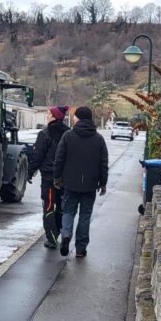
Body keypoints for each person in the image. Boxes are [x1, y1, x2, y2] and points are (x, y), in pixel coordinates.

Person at [53, 106, 108, 258]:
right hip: (90, 185)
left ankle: (66, 235)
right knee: (85, 216)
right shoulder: (98, 139)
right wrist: (103, 183)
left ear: (78, 118)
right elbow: (103, 163)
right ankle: (80, 249)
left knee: (68, 211)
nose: (74, 118)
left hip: (70, 183)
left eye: (75, 116)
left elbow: (59, 158)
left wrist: (57, 177)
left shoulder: (68, 136)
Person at [27, 105, 70, 249]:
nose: (47, 116)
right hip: (65, 177)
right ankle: (59, 231)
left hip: (49, 176)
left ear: (54, 116)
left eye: (48, 113)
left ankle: (51, 238)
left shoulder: (45, 133)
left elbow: (38, 156)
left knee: (49, 206)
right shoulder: (69, 133)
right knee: (62, 206)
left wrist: (30, 171)